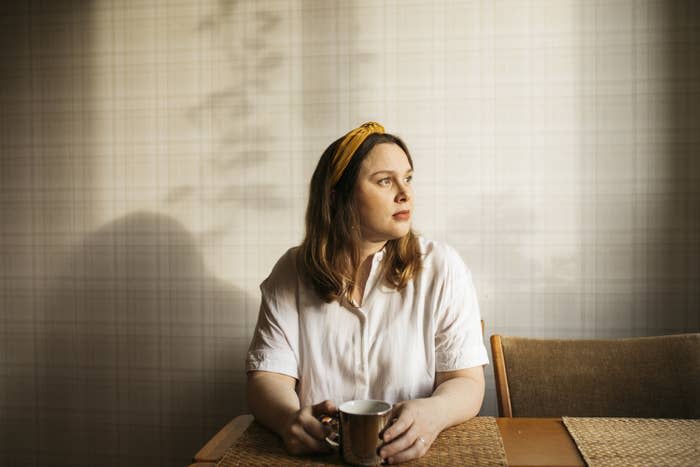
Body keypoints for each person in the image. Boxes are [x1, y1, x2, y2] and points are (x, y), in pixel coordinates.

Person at [245, 122, 488, 464]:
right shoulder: (291, 271)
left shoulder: (442, 267)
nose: (405, 194)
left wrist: (434, 412)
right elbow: (267, 377)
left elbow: (466, 381)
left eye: (408, 178)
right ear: (336, 194)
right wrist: (289, 420)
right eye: (385, 180)